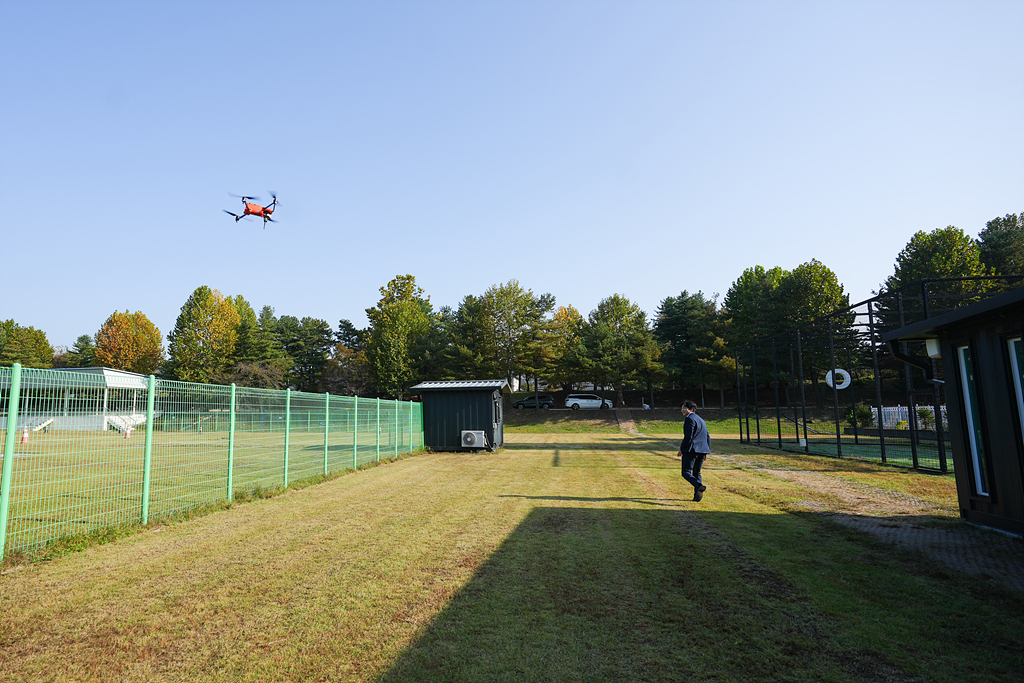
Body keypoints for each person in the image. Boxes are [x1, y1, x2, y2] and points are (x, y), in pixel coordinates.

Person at [677, 400, 711, 501]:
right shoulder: (701, 420)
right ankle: (697, 496)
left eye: (684, 408)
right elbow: (707, 436)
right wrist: (706, 450)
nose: (682, 410)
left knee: (686, 472)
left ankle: (698, 485)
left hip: (692, 449)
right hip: (702, 450)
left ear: (691, 409)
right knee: (697, 473)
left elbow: (688, 436)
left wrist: (682, 449)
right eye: (682, 408)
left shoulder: (689, 419)